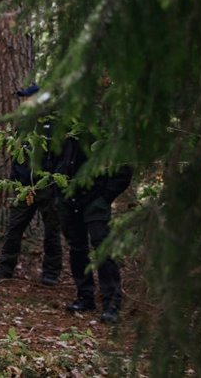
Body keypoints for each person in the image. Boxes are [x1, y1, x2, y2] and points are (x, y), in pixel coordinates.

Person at [0, 85, 63, 287]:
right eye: (23, 99)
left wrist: (52, 182)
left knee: (52, 231)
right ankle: (4, 269)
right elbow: (17, 156)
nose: (24, 102)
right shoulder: (23, 124)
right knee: (14, 229)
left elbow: (60, 155)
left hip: (48, 187)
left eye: (28, 97)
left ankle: (51, 273)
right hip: (24, 189)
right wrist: (17, 182)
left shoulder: (54, 124)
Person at [56, 135, 132, 324]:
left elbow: (124, 168)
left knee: (102, 246)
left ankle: (112, 305)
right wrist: (58, 193)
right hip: (69, 199)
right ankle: (85, 297)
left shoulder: (103, 128)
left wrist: (105, 197)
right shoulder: (65, 130)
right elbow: (53, 160)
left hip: (95, 201)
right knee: (77, 247)